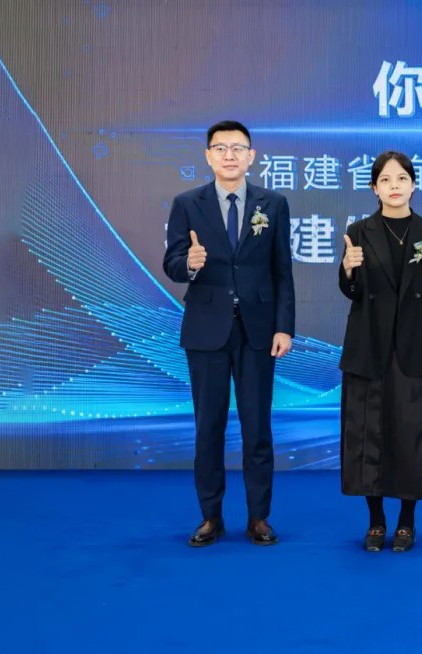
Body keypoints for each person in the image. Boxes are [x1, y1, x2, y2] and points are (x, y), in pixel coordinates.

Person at [162, 120, 295, 547]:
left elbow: (282, 271)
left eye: (238, 148)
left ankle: (259, 517)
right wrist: (190, 263)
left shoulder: (273, 204)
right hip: (206, 330)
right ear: (208, 156)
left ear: (252, 156)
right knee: (209, 428)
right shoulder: (187, 203)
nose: (229, 155)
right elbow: (172, 262)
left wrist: (284, 326)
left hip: (258, 331)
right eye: (221, 148)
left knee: (258, 428)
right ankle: (210, 517)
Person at [338, 151, 422, 553]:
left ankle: (407, 522)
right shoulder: (359, 230)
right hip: (369, 345)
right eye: (386, 180)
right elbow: (352, 291)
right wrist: (348, 269)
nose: (394, 186)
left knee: (410, 434)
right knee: (368, 433)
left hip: (414, 346)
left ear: (413, 185)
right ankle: (375, 521)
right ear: (374, 188)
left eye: (402, 179)